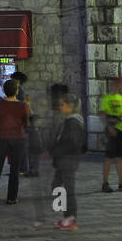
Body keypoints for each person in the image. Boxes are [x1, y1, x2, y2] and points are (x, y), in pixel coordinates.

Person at [51, 91, 84, 230]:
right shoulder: (70, 120)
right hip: (63, 160)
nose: (60, 107)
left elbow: (72, 142)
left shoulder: (74, 122)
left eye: (62, 104)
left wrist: (57, 151)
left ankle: (70, 218)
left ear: (70, 106)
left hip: (68, 160)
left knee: (68, 189)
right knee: (57, 186)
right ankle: (66, 216)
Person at [100, 77, 122, 192]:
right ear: (115, 84)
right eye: (121, 84)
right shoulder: (106, 98)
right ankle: (105, 183)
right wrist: (109, 127)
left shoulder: (120, 98)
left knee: (120, 157)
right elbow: (103, 114)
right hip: (112, 128)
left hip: (121, 128)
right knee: (109, 157)